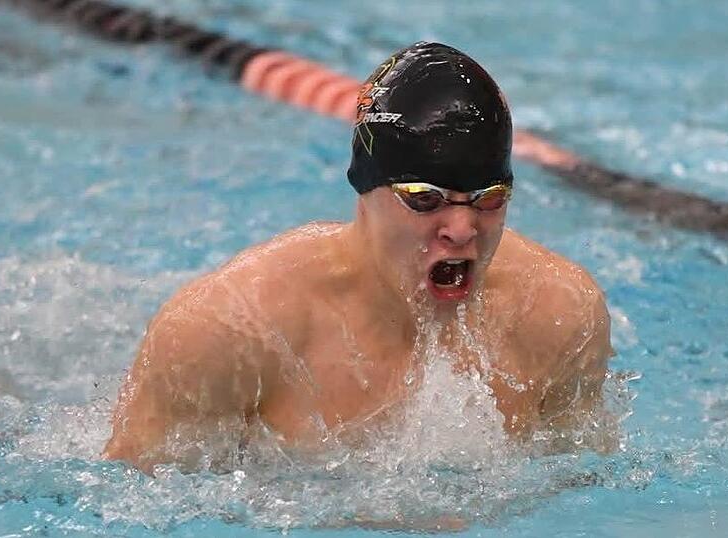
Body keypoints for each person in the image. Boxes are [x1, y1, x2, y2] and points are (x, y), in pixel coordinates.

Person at [103, 42, 613, 472]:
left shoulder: (558, 311)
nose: (462, 230)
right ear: (367, 188)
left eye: (489, 198)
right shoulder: (229, 329)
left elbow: (583, 487)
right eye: (423, 198)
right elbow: (127, 504)